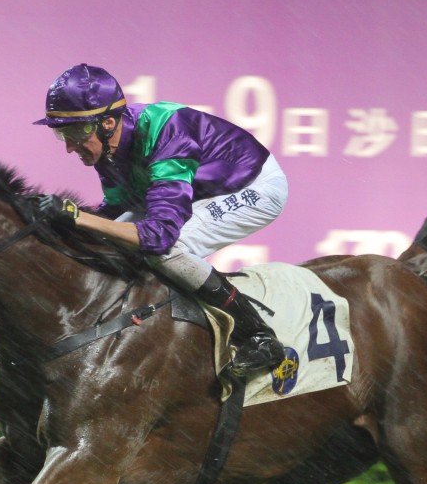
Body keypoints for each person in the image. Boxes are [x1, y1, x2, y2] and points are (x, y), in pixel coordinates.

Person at [33, 63, 288, 377]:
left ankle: (259, 337)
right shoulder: (108, 143)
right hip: (198, 188)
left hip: (253, 186)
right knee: (110, 238)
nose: (70, 147)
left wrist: (78, 217)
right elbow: (113, 213)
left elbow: (159, 236)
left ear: (108, 122)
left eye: (75, 132)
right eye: (62, 133)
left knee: (166, 251)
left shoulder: (168, 132)